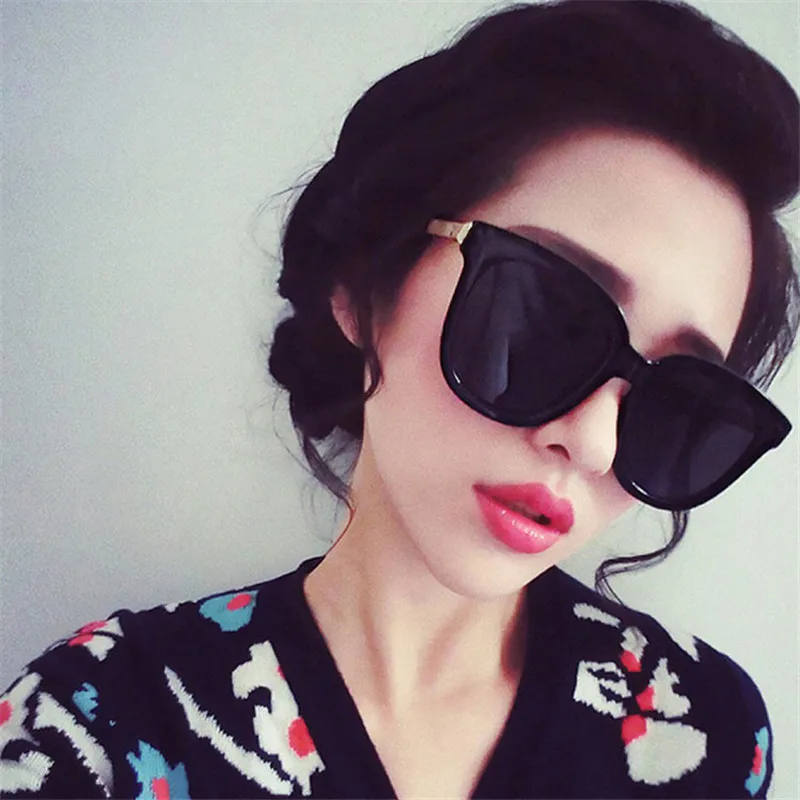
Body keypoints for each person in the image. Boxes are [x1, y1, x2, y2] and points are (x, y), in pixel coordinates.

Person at [1, 0, 797, 797]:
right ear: (362, 284)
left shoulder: (708, 734)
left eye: (677, 398)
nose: (594, 443)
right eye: (544, 319)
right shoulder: (97, 726)